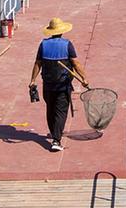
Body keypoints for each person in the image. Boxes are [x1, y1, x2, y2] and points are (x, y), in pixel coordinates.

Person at [29, 17, 88, 152]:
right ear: (62, 31)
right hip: (63, 85)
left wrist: (32, 80)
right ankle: (56, 140)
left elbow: (38, 64)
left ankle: (55, 133)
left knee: (50, 110)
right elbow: (75, 64)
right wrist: (84, 78)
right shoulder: (67, 44)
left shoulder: (43, 45)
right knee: (61, 112)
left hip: (48, 85)